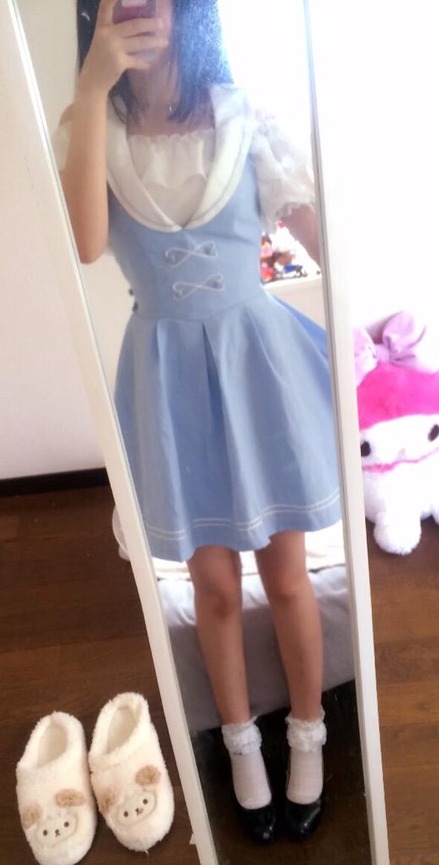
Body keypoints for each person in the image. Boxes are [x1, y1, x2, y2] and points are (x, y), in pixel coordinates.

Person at [57, 0, 341, 843]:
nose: (140, 10)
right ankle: (241, 743)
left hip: (258, 369)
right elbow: (85, 242)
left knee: (285, 576)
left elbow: (326, 237)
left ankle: (308, 730)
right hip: (169, 382)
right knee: (213, 586)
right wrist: (93, 86)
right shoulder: (91, 126)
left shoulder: (248, 117)